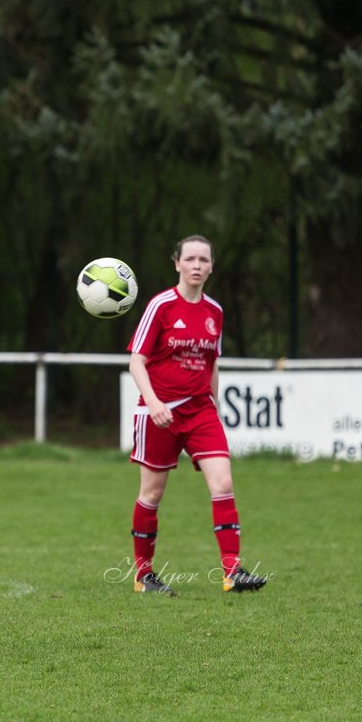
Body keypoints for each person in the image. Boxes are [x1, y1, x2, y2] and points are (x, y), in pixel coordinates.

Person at [125, 234, 267, 596]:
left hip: (201, 410)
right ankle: (143, 575)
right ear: (177, 264)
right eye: (190, 259)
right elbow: (136, 360)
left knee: (223, 484)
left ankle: (232, 571)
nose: (196, 266)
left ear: (211, 267)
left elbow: (212, 362)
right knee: (152, 494)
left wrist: (214, 406)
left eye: (203, 260)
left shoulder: (214, 311)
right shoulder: (161, 305)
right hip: (159, 413)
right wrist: (154, 402)